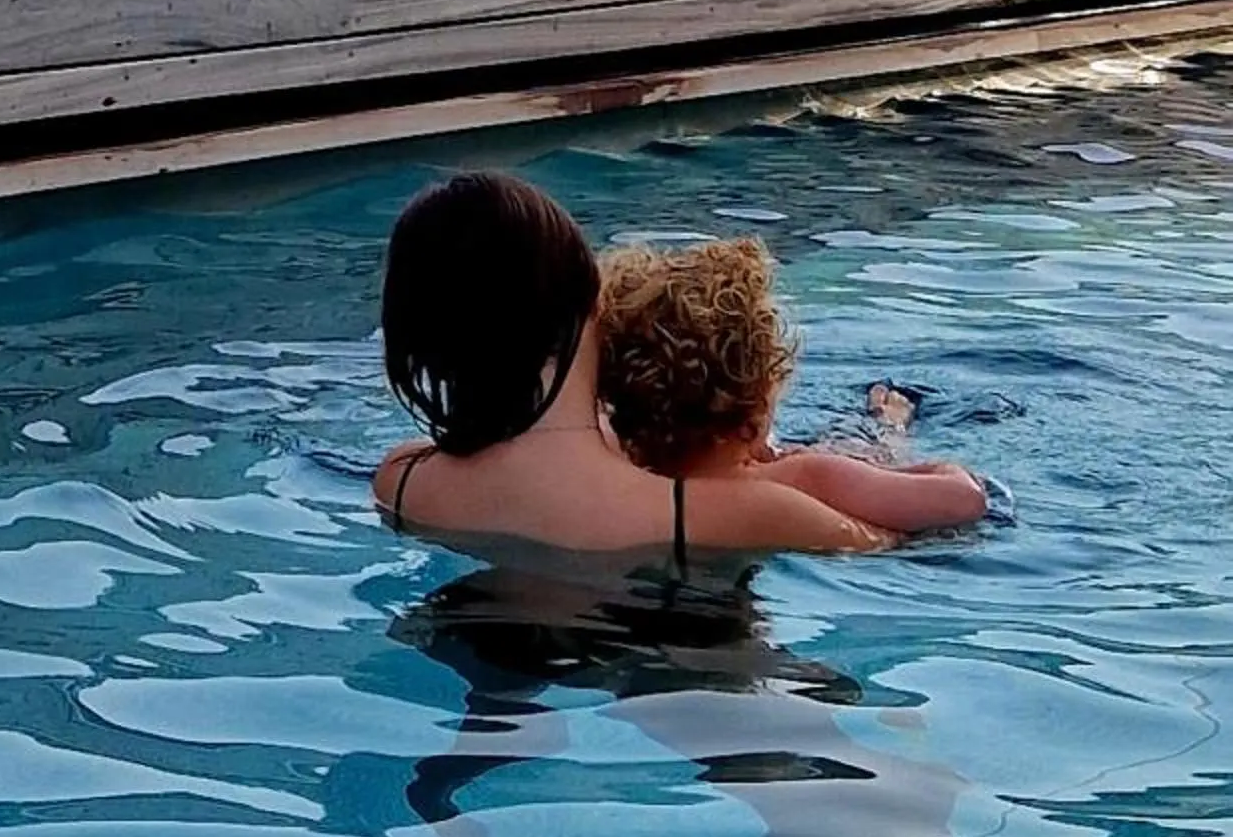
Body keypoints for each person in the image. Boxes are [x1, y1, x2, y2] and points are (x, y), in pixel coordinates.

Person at [372, 170, 896, 557]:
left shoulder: (402, 482)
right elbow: (907, 540)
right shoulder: (731, 512)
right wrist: (886, 447)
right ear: (587, 300)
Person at [599, 236, 988, 535]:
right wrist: (942, 466)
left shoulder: (614, 469)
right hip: (833, 494)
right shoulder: (806, 476)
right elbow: (965, 500)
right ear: (753, 404)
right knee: (872, 446)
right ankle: (889, 424)